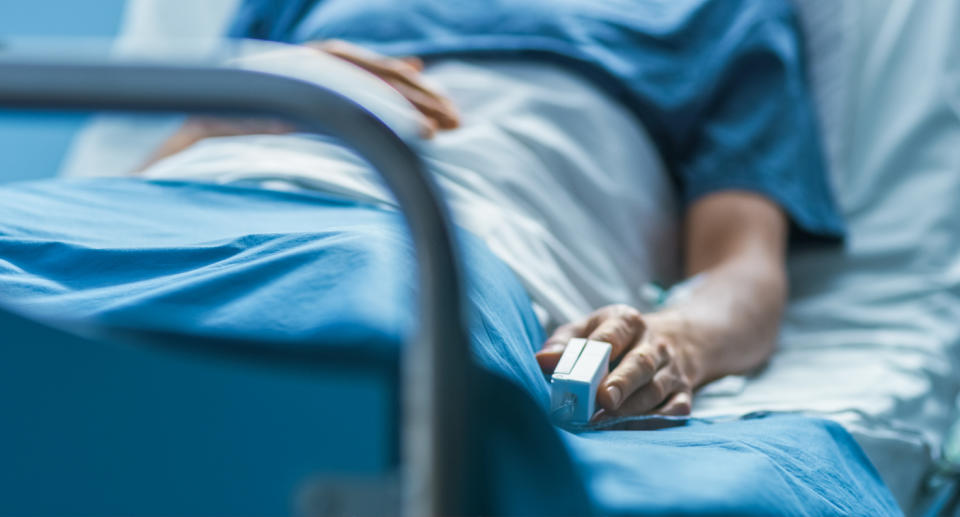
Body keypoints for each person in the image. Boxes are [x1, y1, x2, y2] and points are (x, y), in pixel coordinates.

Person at [137, 0, 844, 421]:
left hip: (443, 232)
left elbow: (741, 267)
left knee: (338, 338)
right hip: (182, 201)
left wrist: (674, 340)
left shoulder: (723, 13)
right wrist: (235, 106)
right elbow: (147, 170)